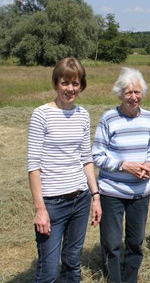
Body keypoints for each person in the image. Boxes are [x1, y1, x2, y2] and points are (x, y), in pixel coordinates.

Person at [27, 57, 102, 283]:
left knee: (72, 265)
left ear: (81, 85)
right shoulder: (41, 114)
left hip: (80, 200)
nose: (70, 89)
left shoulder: (82, 115)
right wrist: (40, 209)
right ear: (56, 83)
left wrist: (95, 196)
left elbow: (86, 159)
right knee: (48, 271)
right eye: (64, 83)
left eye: (75, 83)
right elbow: (33, 165)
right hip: (52, 203)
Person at [92, 67, 150, 283]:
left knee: (135, 241)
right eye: (128, 92)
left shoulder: (149, 118)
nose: (133, 97)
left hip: (140, 192)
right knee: (112, 242)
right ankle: (114, 279)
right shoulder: (108, 119)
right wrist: (125, 166)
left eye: (137, 92)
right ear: (120, 94)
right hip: (112, 192)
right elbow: (97, 155)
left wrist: (149, 164)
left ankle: (130, 279)